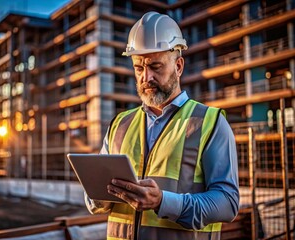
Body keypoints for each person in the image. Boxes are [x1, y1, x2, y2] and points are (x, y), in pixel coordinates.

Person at [85, 11, 239, 240]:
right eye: (139, 68)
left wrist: (163, 202)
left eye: (155, 66)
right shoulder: (119, 125)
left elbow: (228, 203)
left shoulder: (210, 123)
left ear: (178, 66)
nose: (146, 77)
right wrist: (97, 195)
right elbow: (93, 202)